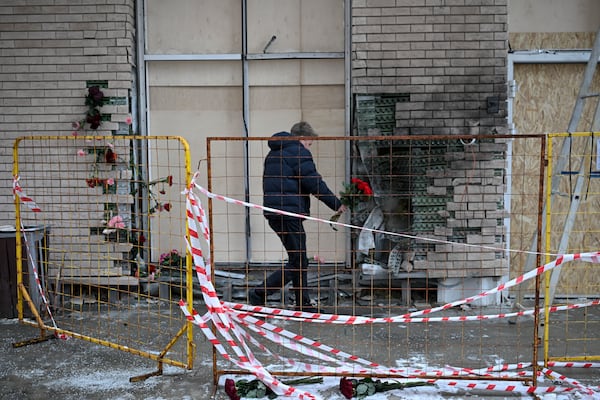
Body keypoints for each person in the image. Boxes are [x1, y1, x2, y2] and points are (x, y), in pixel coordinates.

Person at [249, 121, 346, 313]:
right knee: (298, 261)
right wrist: (336, 204)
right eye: (309, 143)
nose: (309, 147)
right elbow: (314, 182)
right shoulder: (298, 152)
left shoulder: (274, 152)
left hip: (275, 212)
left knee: (298, 259)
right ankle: (260, 293)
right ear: (303, 138)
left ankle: (303, 303)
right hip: (289, 213)